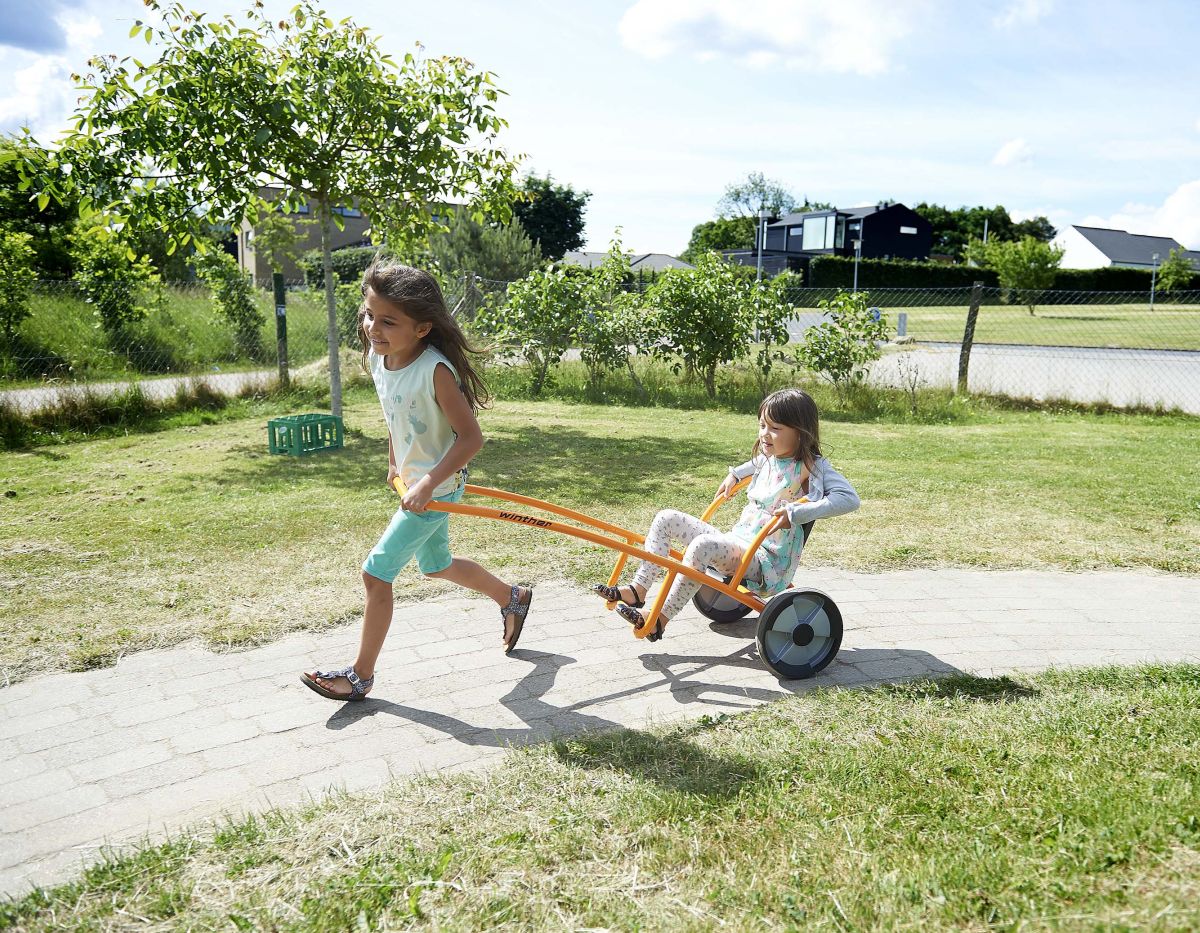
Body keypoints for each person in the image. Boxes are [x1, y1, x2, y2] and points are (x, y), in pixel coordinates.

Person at [302, 262, 533, 701]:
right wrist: (395, 463)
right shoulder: (380, 359)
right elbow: (396, 417)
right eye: (370, 315)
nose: (373, 328)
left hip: (437, 490)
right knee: (436, 566)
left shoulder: (435, 371)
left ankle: (360, 676)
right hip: (417, 485)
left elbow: (471, 438)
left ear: (422, 328)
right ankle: (512, 597)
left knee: (375, 574)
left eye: (388, 321)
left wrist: (427, 483)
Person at [593, 388, 859, 639]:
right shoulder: (770, 457)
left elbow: (849, 499)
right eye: (762, 426)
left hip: (764, 559)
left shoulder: (812, 466)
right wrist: (735, 475)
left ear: (801, 433)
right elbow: (754, 464)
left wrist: (796, 512)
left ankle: (659, 618)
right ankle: (638, 589)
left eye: (775, 429)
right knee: (666, 518)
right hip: (738, 542)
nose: (765, 434)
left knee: (702, 545)